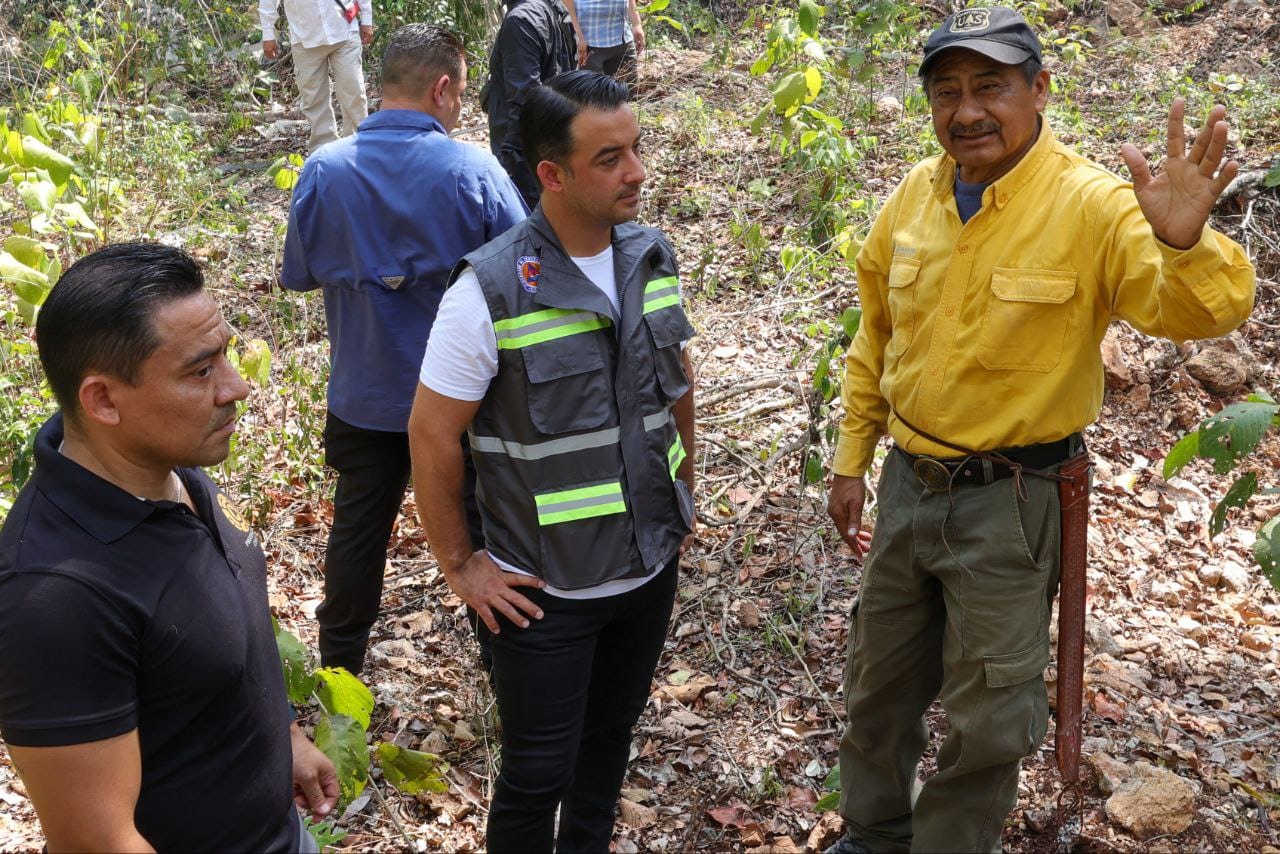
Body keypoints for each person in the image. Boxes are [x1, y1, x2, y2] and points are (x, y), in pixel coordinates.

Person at [824, 7, 1256, 853]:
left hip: (1012, 505)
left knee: (988, 716)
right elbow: (875, 333)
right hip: (908, 485)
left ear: (1040, 91)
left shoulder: (1094, 204)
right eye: (947, 91)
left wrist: (1183, 238)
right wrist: (852, 458)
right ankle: (870, 837)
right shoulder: (915, 193)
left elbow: (1203, 311)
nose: (967, 110)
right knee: (876, 691)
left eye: (992, 86)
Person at [408, 70, 696, 852]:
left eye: (636, 149)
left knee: (607, 749)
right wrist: (463, 565)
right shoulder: (491, 291)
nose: (636, 171)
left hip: (645, 572)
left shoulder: (650, 258)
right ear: (552, 174)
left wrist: (682, 498)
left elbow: (676, 392)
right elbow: (431, 434)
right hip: (544, 595)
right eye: (610, 158)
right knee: (537, 775)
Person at [0, 243, 338, 852]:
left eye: (226, 357)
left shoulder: (163, 468)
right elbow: (96, 841)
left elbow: (214, 634)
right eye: (201, 371)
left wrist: (284, 734)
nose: (236, 387)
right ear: (102, 400)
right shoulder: (53, 597)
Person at [281, 24, 528, 676]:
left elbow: (302, 272)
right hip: (463, 407)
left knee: (357, 536)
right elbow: (525, 281)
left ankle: (339, 682)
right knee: (481, 537)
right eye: (462, 94)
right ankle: (508, 682)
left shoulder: (324, 172)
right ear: (442, 88)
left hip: (365, 394)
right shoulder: (474, 171)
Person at [483, 0, 581, 208]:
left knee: (529, 220)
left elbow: (525, 97)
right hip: (550, 137)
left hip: (525, 151)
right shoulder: (557, 9)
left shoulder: (520, 20)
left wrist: (509, 158)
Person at [260, 0, 374, 153]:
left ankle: (358, 150)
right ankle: (324, 154)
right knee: (314, 101)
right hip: (305, 37)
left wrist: (367, 19)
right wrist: (268, 34)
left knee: (354, 92)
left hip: (344, 30)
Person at [575, 0, 644, 84]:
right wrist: (579, 36)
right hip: (589, 44)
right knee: (592, 94)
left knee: (626, 92)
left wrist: (636, 23)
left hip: (622, 42)